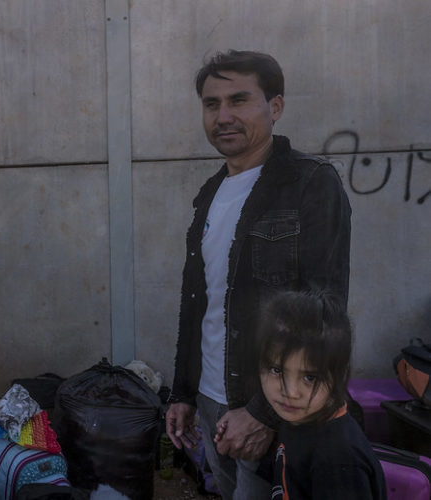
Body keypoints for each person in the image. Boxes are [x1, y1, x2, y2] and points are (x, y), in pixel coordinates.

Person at [165, 50, 351, 500]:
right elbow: (200, 303)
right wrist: (184, 393)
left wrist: (264, 414)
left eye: (239, 100)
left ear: (276, 106)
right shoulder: (211, 193)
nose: (223, 116)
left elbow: (322, 313)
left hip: (270, 408)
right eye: (212, 104)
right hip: (212, 401)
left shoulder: (310, 183)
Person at [253, 290, 386, 499]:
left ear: (340, 375)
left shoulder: (339, 461)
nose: (290, 392)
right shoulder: (298, 419)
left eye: (310, 378)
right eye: (277, 371)